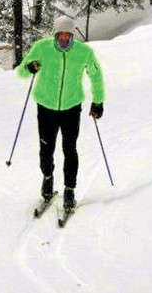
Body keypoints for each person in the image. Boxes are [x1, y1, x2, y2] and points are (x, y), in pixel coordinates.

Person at [17, 15, 105, 210]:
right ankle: (47, 178)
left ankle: (69, 190)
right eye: (61, 34)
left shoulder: (84, 52)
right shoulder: (42, 48)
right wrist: (30, 68)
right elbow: (21, 72)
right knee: (46, 148)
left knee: (69, 149)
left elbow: (96, 76)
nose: (65, 38)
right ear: (55, 34)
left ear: (72, 34)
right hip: (46, 107)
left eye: (68, 34)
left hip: (71, 108)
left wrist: (98, 102)